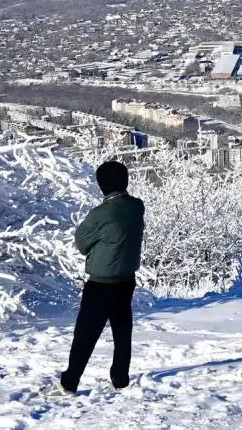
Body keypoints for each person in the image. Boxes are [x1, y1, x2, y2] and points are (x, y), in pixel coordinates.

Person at [49, 160, 145, 396]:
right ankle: (120, 378)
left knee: (85, 334)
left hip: (101, 283)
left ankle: (68, 383)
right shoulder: (136, 206)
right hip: (126, 279)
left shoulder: (100, 214)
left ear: (103, 185)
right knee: (122, 330)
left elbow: (81, 243)